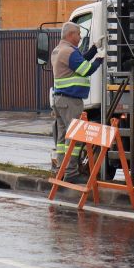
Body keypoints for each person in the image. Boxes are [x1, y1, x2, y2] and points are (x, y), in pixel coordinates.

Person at [50, 22, 104, 181]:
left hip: (60, 100)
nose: (80, 37)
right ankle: (71, 173)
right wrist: (100, 59)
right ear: (70, 35)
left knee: (62, 139)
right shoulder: (69, 52)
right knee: (74, 137)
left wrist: (94, 48)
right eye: (78, 34)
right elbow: (86, 69)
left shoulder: (59, 49)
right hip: (71, 101)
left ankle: (62, 169)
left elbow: (80, 60)